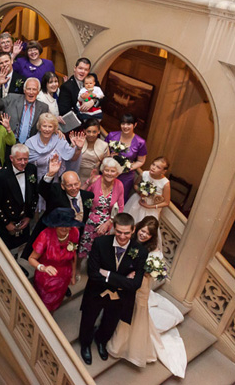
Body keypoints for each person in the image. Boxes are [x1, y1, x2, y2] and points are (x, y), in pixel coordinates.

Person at [107, 216, 186, 377]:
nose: (144, 235)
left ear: (152, 236)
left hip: (141, 287)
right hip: (124, 282)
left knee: (135, 313)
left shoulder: (154, 250)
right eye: (142, 231)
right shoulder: (129, 239)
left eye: (148, 234)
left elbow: (157, 271)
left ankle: (119, 346)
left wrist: (147, 272)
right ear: (138, 228)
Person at [78, 212, 148, 366]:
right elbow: (93, 274)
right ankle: (85, 344)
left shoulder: (141, 252)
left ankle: (101, 341)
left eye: (126, 233)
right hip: (96, 292)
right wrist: (123, 280)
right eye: (119, 232)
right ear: (114, 228)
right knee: (89, 319)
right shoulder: (100, 243)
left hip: (119, 297)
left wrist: (109, 275)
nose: (122, 237)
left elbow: (135, 284)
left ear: (133, 230)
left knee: (110, 322)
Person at [23, 155, 95, 272]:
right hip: (53, 234)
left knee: (65, 261)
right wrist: (51, 174)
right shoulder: (56, 193)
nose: (73, 188)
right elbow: (43, 190)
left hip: (72, 236)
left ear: (79, 182)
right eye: (69, 185)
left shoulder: (88, 196)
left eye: (76, 184)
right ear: (63, 186)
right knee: (46, 260)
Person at [25, 113, 85, 211]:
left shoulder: (60, 139)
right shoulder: (30, 143)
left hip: (54, 184)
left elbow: (71, 158)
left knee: (52, 211)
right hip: (34, 183)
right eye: (44, 126)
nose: (47, 129)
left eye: (50, 126)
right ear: (39, 127)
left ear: (54, 129)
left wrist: (78, 148)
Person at [28, 208, 82, 312]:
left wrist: (73, 275)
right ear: (55, 224)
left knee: (55, 302)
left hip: (64, 276)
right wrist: (43, 268)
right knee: (42, 304)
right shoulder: (45, 235)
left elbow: (73, 255)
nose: (65, 228)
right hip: (45, 277)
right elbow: (31, 258)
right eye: (62, 224)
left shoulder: (74, 232)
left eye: (68, 225)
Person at [0, 144, 38, 254]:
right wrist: (7, 223)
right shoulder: (1, 176)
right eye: (19, 159)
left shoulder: (31, 169)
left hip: (23, 219)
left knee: (20, 247)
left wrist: (29, 216)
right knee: (4, 251)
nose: (23, 162)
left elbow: (34, 195)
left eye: (25, 159)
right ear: (11, 158)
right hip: (6, 221)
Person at [79, 157, 125, 260]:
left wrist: (109, 223)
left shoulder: (119, 185)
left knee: (98, 250)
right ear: (102, 170)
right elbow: (79, 195)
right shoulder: (95, 180)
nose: (109, 173)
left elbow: (120, 208)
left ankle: (91, 267)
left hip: (107, 222)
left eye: (112, 171)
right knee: (83, 246)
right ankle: (77, 267)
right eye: (106, 170)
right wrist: (88, 183)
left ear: (117, 173)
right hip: (88, 219)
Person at [0, 76, 49, 141]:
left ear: (38, 91)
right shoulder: (12, 98)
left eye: (34, 89)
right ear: (24, 90)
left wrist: (56, 131)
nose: (31, 92)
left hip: (30, 145)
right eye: (28, 89)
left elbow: (46, 125)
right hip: (8, 141)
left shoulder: (44, 107)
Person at [105, 113, 148, 202]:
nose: (125, 126)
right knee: (104, 196)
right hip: (109, 172)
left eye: (128, 124)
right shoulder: (112, 135)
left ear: (135, 125)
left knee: (119, 200)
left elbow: (141, 161)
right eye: (123, 123)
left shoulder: (140, 142)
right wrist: (109, 157)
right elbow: (103, 153)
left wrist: (128, 167)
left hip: (125, 176)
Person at [125, 157, 171, 222]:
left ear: (164, 171)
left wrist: (149, 206)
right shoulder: (144, 174)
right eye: (153, 164)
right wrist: (140, 192)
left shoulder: (165, 183)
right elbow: (135, 185)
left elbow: (166, 203)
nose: (153, 167)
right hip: (137, 201)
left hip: (151, 208)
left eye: (158, 167)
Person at [78, 118, 110, 184]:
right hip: (76, 176)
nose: (91, 134)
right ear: (84, 131)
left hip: (94, 178)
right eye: (88, 131)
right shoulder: (77, 141)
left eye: (94, 132)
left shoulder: (104, 145)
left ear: (98, 131)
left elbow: (106, 165)